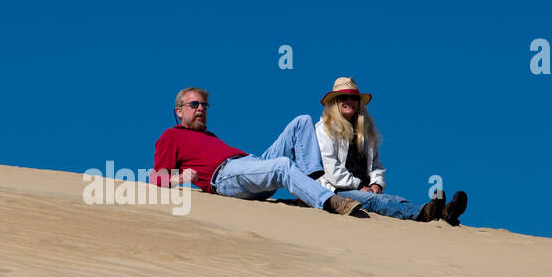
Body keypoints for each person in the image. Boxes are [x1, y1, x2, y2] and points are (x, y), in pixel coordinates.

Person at [151, 87, 358, 215]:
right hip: (225, 177)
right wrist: (180, 178)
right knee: (283, 166)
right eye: (194, 104)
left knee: (301, 122)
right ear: (178, 111)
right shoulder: (171, 136)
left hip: (249, 164)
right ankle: (329, 202)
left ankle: (311, 183)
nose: (201, 109)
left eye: (204, 106)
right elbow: (155, 178)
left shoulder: (209, 135)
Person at [315, 77, 468, 225]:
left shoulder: (365, 132)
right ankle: (424, 212)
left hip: (365, 190)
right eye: (343, 97)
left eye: (353, 98)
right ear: (335, 102)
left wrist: (376, 184)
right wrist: (359, 186)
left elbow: (375, 165)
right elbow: (331, 169)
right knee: (377, 201)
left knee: (394, 200)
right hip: (337, 192)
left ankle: (443, 212)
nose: (349, 101)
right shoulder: (325, 129)